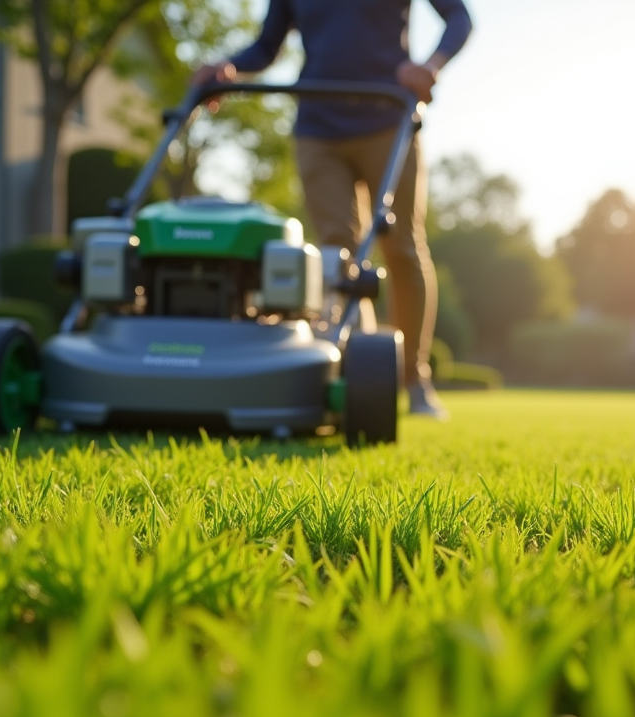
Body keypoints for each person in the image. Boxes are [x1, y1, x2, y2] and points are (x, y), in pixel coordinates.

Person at [194, 0, 472, 420]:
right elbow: (266, 47)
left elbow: (459, 16)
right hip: (317, 127)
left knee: (402, 247)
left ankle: (414, 380)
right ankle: (352, 371)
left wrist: (430, 65)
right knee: (337, 254)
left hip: (387, 117)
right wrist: (226, 69)